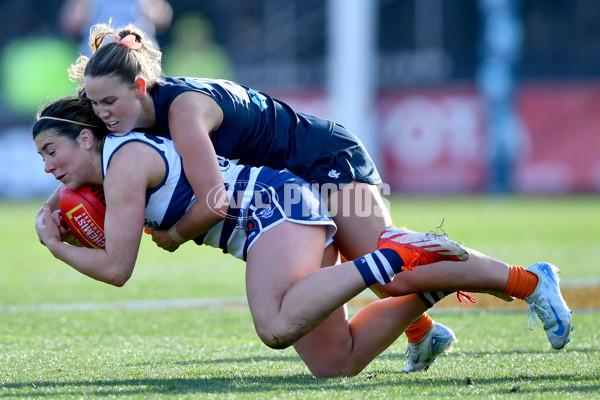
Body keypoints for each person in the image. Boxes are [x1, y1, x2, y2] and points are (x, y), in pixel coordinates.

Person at [34, 97, 571, 378]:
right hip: (278, 209)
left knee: (275, 325)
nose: (48, 168)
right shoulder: (110, 168)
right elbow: (117, 226)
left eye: (51, 152)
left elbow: (118, 268)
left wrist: (56, 245)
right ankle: (421, 294)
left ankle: (397, 257)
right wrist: (71, 217)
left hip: (278, 204)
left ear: (87, 137)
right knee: (337, 363)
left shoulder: (124, 160)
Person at [62, 21, 464, 372]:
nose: (101, 114)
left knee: (388, 271)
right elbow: (82, 142)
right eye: (94, 105)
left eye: (107, 103)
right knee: (337, 352)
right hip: (288, 185)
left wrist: (176, 235)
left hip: (318, 160)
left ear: (138, 87)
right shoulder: (138, 114)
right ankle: (425, 323)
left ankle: (523, 280)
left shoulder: (179, 113)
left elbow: (214, 200)